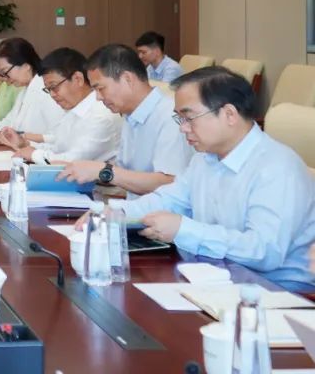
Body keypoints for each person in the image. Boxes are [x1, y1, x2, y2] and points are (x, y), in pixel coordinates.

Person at [116, 67, 315, 290]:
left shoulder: (277, 167)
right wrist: (112, 214)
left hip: (273, 293)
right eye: (179, 119)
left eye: (189, 118)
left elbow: (263, 252)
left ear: (229, 114)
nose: (183, 129)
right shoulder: (204, 159)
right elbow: (167, 200)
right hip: (214, 278)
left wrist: (184, 230)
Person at [60, 44, 192, 195]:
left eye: (101, 88)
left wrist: (103, 171)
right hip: (132, 206)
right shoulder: (131, 114)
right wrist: (84, 170)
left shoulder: (170, 116)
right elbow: (125, 173)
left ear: (127, 79)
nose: (98, 97)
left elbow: (169, 182)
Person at [0, 47, 122, 165]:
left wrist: (33, 154)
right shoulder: (73, 110)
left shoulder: (101, 115)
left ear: (78, 79)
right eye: (48, 89)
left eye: (54, 87)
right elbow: (58, 149)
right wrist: (24, 144)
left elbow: (72, 161)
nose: (52, 95)